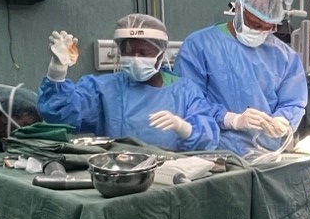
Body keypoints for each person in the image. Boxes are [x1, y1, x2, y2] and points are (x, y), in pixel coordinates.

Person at [38, 14, 218, 151]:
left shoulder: (184, 91)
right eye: (129, 52)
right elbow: (59, 114)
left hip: (172, 175)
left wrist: (183, 127)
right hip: (120, 172)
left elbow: (207, 140)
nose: (135, 58)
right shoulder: (104, 89)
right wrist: (57, 69)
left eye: (143, 53)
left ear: (160, 54)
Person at [175, 0, 308, 156]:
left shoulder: (285, 56)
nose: (260, 32)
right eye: (255, 24)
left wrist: (283, 120)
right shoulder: (199, 45)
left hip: (266, 153)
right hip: (215, 153)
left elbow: (293, 101)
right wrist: (230, 119)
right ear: (238, 9)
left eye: (268, 28)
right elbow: (188, 101)